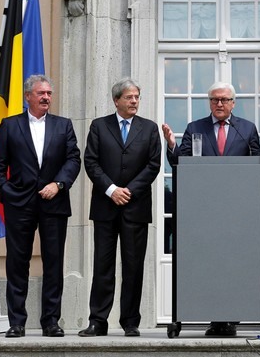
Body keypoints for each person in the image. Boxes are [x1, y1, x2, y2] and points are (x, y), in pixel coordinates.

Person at [161, 81, 260, 336]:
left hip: (237, 212)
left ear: (233, 103)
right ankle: (215, 319)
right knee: (209, 264)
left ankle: (231, 318)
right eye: (215, 100)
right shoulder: (196, 128)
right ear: (209, 102)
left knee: (234, 264)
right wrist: (171, 145)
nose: (219, 104)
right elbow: (180, 163)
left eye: (224, 100)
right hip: (203, 211)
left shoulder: (246, 129)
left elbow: (257, 165)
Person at [0, 74, 81, 338]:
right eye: (41, 93)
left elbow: (73, 160)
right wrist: (8, 194)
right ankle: (17, 322)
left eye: (49, 94)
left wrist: (59, 184)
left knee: (54, 263)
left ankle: (51, 321)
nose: (46, 98)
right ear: (28, 96)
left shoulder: (63, 126)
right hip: (19, 204)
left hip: (54, 203)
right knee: (17, 263)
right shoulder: (10, 126)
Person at [79, 78, 161, 338]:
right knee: (103, 265)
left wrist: (129, 191)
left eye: (137, 97)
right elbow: (90, 162)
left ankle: (130, 321)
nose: (134, 101)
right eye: (129, 97)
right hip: (105, 206)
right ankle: (98, 321)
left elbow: (153, 164)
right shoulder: (99, 126)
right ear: (116, 100)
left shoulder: (149, 128)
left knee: (133, 265)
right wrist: (111, 189)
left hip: (135, 207)